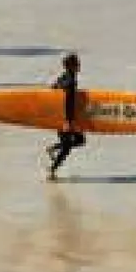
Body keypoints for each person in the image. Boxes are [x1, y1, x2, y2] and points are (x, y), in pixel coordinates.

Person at [45, 52, 87, 180]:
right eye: (77, 63)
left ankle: (53, 149)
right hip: (66, 118)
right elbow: (68, 101)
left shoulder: (63, 77)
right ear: (73, 66)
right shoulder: (71, 81)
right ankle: (52, 170)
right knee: (68, 145)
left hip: (60, 115)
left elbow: (52, 90)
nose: (79, 65)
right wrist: (68, 121)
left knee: (80, 140)